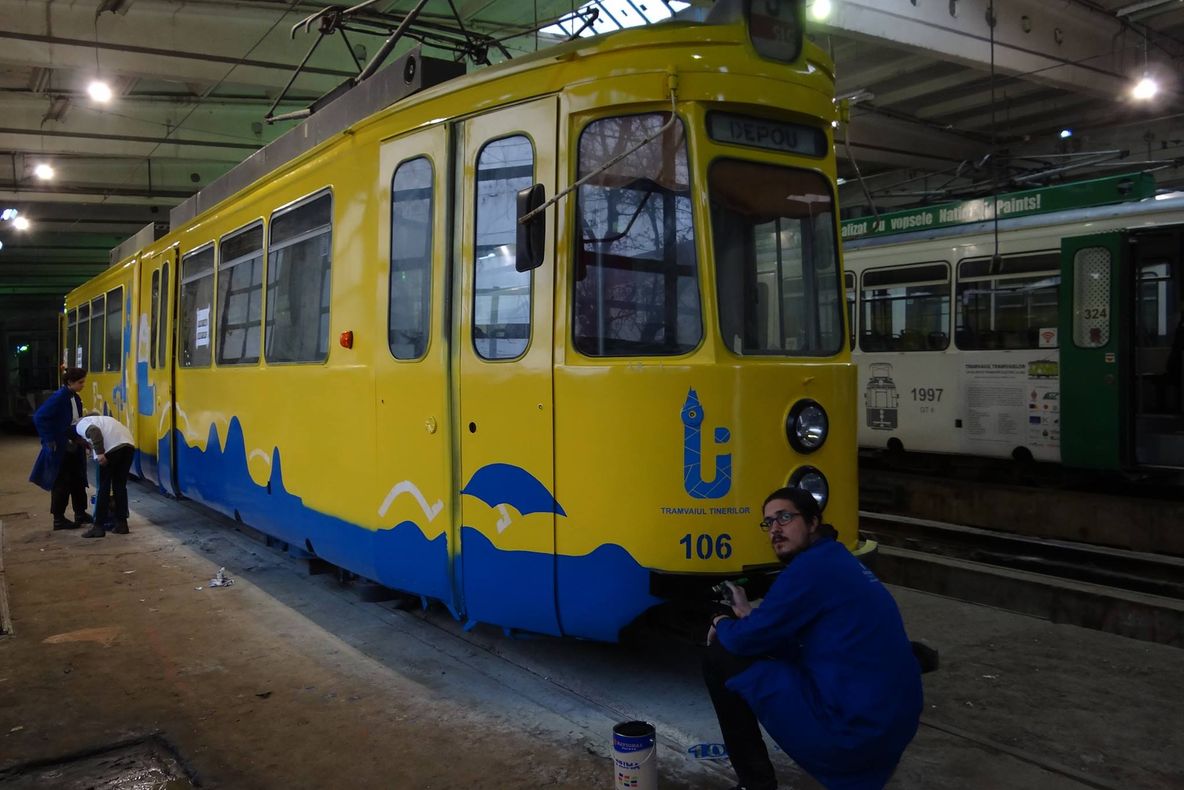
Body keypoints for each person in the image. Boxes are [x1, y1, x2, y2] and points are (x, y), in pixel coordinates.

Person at [703, 487, 923, 790]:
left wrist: (721, 620)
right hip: (890, 731)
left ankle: (755, 784)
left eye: (784, 517)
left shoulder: (808, 570)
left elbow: (744, 642)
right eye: (768, 523)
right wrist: (745, 613)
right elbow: (785, 634)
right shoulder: (836, 559)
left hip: (855, 738)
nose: (775, 529)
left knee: (719, 655)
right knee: (774, 650)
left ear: (813, 522)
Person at [29, 367, 92, 531]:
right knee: (61, 484)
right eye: (80, 382)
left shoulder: (75, 397)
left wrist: (81, 441)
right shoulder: (58, 398)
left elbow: (73, 421)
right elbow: (39, 417)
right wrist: (48, 439)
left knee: (79, 481)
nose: (83, 385)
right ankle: (59, 518)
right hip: (61, 448)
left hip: (72, 446)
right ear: (70, 382)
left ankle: (80, 513)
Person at [75, 411, 136, 538]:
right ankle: (122, 523)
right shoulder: (105, 420)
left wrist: (99, 453)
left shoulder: (80, 424)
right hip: (128, 446)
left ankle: (98, 526)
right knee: (120, 486)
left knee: (103, 487)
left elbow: (94, 431)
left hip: (111, 450)